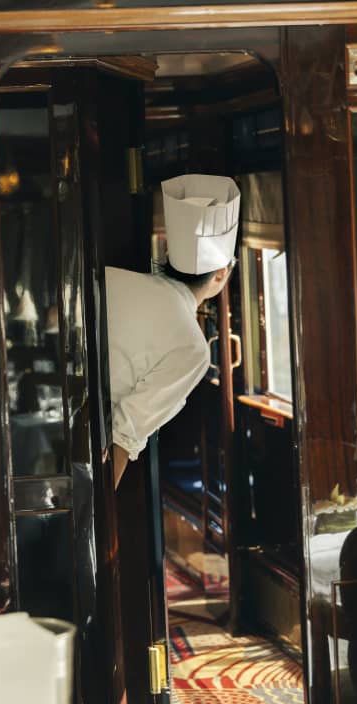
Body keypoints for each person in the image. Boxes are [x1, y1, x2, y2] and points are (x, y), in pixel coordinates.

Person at [106, 173, 241, 488]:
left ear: (167, 253)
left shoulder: (110, 278)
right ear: (221, 275)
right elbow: (123, 436)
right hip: (74, 443)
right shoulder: (192, 349)